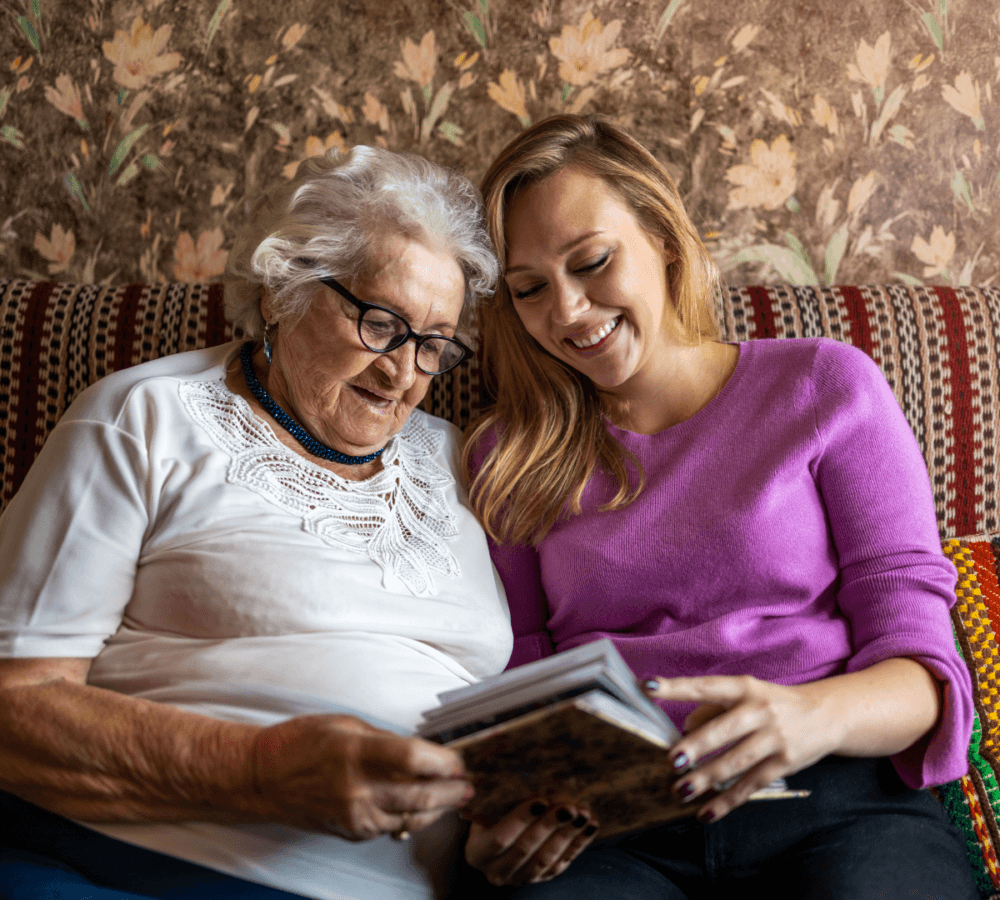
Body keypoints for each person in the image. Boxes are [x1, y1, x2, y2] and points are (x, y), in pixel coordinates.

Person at [462, 114, 979, 898]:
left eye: (592, 261)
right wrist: (498, 817)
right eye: (531, 289)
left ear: (664, 239)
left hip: (833, 796)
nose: (567, 312)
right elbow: (518, 676)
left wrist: (810, 719)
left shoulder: (826, 384)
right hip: (611, 830)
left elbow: (922, 674)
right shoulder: (505, 452)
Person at [0, 146, 518, 900]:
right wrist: (259, 772)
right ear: (284, 291)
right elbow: (14, 702)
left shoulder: (462, 463)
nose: (402, 372)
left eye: (432, 344)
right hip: (142, 869)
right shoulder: (141, 420)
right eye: (380, 323)